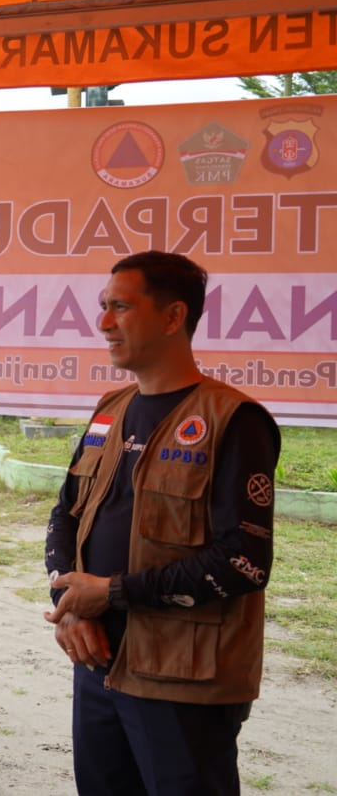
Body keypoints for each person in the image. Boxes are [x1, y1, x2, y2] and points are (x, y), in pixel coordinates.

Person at [43, 251, 280, 795]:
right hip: (97, 657)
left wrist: (113, 593)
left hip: (183, 680)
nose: (103, 322)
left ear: (174, 317)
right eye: (104, 307)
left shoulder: (233, 421)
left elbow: (243, 561)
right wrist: (71, 606)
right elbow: (66, 515)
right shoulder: (111, 408)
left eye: (121, 307)